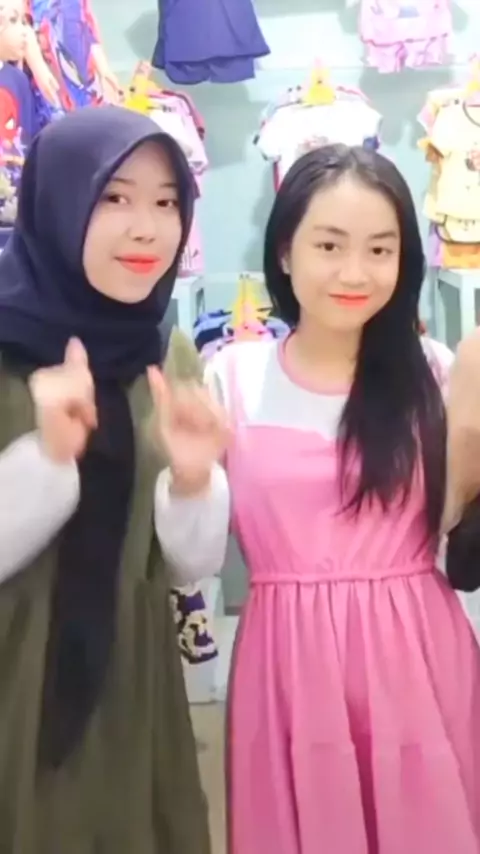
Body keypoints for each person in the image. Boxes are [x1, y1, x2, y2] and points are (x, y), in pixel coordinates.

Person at [147, 145, 480, 853]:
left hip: (418, 657)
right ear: (285, 252)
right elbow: (192, 562)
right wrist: (191, 477)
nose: (355, 272)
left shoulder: (435, 371)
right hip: (286, 665)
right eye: (329, 245)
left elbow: (457, 532)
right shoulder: (233, 375)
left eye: (380, 249)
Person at [0, 104, 229, 853]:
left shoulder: (166, 355)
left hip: (130, 679)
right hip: (14, 671)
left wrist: (194, 481)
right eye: (115, 198)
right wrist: (47, 460)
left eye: (166, 203)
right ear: (60, 204)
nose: (147, 229)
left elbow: (187, 566)